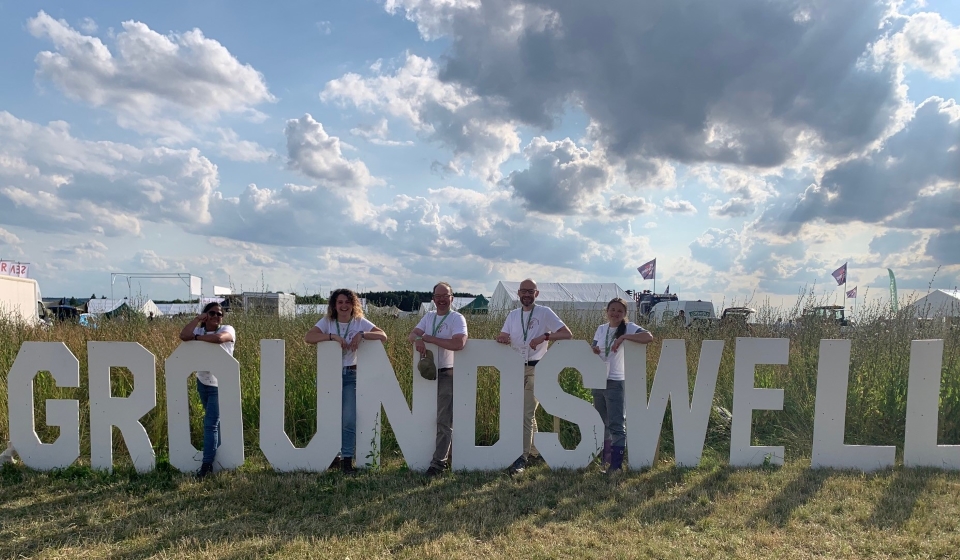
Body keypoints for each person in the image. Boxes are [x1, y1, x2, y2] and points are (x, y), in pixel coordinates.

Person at [305, 289, 387, 474]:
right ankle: (332, 456)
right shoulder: (328, 322)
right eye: (340, 302)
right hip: (330, 376)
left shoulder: (359, 322)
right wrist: (332, 337)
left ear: (353, 304)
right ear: (334, 305)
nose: (343, 306)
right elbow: (309, 337)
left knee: (348, 419)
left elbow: (383, 335)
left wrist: (362, 335)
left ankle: (347, 460)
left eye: (347, 302)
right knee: (329, 418)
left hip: (351, 376)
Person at [495, 279, 572, 475]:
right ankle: (536, 451)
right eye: (523, 291)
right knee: (527, 412)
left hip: (537, 368)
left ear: (536, 294)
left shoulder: (545, 312)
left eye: (530, 291)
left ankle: (522, 457)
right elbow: (503, 335)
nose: (526, 295)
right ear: (518, 294)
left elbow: (566, 334)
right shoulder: (513, 315)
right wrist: (502, 338)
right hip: (515, 368)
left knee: (526, 413)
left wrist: (545, 336)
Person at [407, 282, 468, 476]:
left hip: (447, 374)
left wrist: (430, 339)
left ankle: (438, 464)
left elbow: (459, 343)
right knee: (428, 417)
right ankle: (441, 457)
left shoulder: (457, 318)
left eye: (445, 295)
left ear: (452, 298)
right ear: (433, 298)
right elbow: (412, 335)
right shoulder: (429, 316)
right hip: (428, 375)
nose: (441, 299)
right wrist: (418, 340)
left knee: (444, 420)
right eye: (438, 296)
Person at [591, 297, 654, 473]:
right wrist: (593, 349)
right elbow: (594, 346)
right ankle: (606, 460)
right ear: (607, 311)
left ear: (625, 314)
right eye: (612, 310)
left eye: (620, 311)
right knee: (602, 422)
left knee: (616, 423)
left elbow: (648, 337)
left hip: (616, 381)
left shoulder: (628, 327)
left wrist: (624, 337)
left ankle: (616, 465)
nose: (615, 313)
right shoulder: (601, 329)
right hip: (598, 380)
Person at [178, 301, 236, 480]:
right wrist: (196, 320)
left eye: (220, 314)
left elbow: (219, 339)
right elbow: (183, 335)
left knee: (210, 423)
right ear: (205, 316)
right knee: (214, 423)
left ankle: (206, 464)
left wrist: (196, 339)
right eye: (212, 313)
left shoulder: (227, 328)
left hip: (220, 385)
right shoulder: (200, 330)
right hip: (203, 382)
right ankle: (217, 458)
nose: (217, 317)